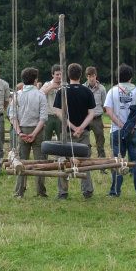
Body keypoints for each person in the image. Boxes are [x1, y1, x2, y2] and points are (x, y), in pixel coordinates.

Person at [51, 63, 96, 199]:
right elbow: (92, 113)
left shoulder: (62, 91)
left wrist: (72, 127)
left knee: (63, 162)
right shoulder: (87, 91)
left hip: (66, 132)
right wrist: (81, 127)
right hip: (84, 133)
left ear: (67, 75)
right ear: (81, 75)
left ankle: (63, 192)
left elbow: (58, 112)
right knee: (84, 162)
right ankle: (87, 190)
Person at [104, 63, 136, 198]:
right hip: (135, 131)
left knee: (118, 161)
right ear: (131, 77)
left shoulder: (112, 90)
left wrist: (121, 125)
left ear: (118, 76)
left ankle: (115, 191)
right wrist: (133, 125)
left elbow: (108, 111)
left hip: (117, 130)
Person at [9, 67, 48, 198]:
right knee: (40, 162)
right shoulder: (40, 95)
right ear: (35, 80)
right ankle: (41, 191)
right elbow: (43, 118)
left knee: (21, 162)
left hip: (22, 129)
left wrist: (19, 132)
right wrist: (34, 133)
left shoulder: (17, 95)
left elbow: (12, 116)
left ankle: (19, 191)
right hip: (38, 130)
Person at [85, 66, 108, 158]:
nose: (91, 78)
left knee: (100, 141)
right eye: (89, 76)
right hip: (85, 118)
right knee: (84, 141)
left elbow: (104, 104)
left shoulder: (102, 89)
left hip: (97, 119)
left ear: (96, 76)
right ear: (86, 77)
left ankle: (102, 165)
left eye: (93, 76)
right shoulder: (83, 87)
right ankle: (86, 161)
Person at [40, 65, 62, 142]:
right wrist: (51, 87)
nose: (59, 76)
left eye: (60, 74)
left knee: (62, 139)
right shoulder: (47, 84)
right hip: (49, 116)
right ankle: (44, 154)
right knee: (46, 139)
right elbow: (40, 95)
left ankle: (61, 154)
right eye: (57, 74)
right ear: (52, 75)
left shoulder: (65, 85)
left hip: (61, 117)